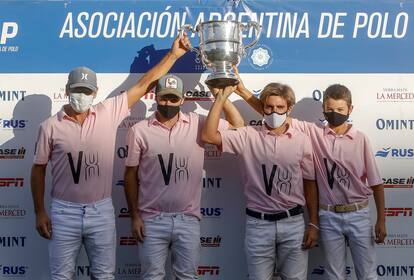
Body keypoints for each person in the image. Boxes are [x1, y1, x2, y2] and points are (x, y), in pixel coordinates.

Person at [30, 34, 194, 279]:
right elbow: (38, 170)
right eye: (76, 90)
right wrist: (40, 211)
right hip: (64, 211)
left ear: (95, 93)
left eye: (86, 91)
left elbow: (144, 84)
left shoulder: (108, 112)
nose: (81, 96)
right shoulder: (49, 126)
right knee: (61, 276)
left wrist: (173, 55)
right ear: (66, 91)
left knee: (105, 275)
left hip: (101, 210)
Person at [235, 76, 386, 279]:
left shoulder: (361, 139)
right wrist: (243, 92)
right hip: (328, 215)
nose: (334, 114)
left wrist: (382, 220)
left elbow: (376, 183)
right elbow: (275, 114)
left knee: (368, 274)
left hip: (359, 213)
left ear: (350, 110)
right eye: (330, 109)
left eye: (340, 110)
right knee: (334, 274)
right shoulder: (313, 133)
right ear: (323, 109)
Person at [123, 59, 244, 279]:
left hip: (187, 219)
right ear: (155, 98)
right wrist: (134, 216)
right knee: (151, 276)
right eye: (163, 98)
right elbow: (130, 175)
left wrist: (221, 98)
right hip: (151, 219)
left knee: (187, 277)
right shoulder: (139, 131)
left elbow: (238, 127)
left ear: (182, 99)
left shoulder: (197, 123)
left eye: (173, 98)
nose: (168, 103)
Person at [201, 84, 319, 280]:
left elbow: (309, 183)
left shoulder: (302, 140)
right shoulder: (247, 135)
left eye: (280, 108)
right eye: (269, 107)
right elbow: (208, 136)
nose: (274, 112)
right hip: (258, 224)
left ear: (289, 109)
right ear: (262, 108)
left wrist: (313, 222)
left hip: (293, 223)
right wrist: (220, 99)